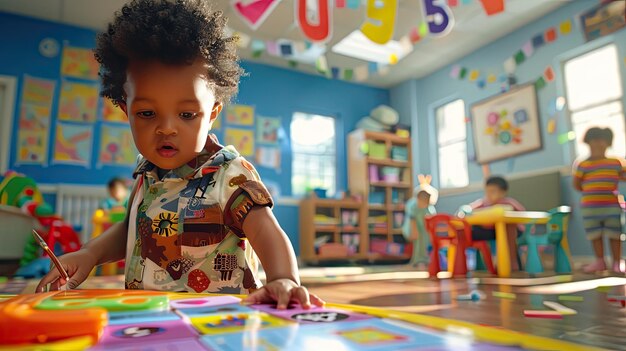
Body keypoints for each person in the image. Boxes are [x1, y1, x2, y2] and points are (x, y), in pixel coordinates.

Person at [37, 0, 323, 309]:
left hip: (220, 321)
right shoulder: (145, 172)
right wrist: (90, 253)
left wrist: (284, 279)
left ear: (212, 113)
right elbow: (131, 228)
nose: (167, 128)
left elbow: (266, 229)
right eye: (147, 113)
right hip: (150, 314)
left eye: (187, 115)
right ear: (126, 111)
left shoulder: (229, 174)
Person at [573, 127, 625, 274]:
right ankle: (599, 261)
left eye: (601, 140)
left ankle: (617, 262)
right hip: (590, 208)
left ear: (608, 143)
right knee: (594, 235)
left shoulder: (616, 162)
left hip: (612, 206)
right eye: (593, 140)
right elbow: (576, 184)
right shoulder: (583, 165)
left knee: (615, 234)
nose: (597, 143)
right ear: (588, 143)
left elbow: (623, 176)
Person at [469, 176, 525, 270]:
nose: (489, 194)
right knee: (472, 230)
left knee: (509, 231)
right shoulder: (484, 203)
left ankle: (512, 264)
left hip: (512, 231)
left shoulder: (509, 202)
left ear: (503, 192)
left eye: (493, 191)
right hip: (490, 231)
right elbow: (470, 209)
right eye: (487, 191)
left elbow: (521, 214)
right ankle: (487, 266)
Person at [403, 181, 437, 269]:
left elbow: (432, 219)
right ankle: (418, 260)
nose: (424, 205)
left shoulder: (428, 208)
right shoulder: (413, 206)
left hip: (424, 229)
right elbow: (412, 219)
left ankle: (426, 259)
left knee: (426, 242)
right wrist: (414, 231)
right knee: (418, 243)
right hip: (413, 228)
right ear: (418, 199)